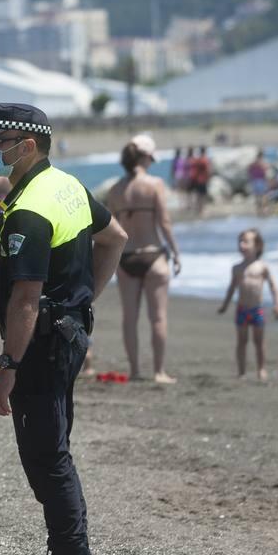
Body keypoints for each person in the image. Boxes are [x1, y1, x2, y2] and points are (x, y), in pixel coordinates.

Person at [0, 102, 128, 555]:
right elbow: (115, 238)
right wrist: (85, 299)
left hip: (41, 344)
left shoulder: (31, 209)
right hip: (69, 334)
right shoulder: (67, 186)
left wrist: (7, 368)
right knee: (53, 443)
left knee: (46, 453)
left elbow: (24, 298)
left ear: (27, 146)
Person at [107, 134, 182, 384]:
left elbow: (111, 228)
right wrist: (176, 252)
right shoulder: (154, 184)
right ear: (144, 157)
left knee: (130, 318)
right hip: (153, 255)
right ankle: (159, 372)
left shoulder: (115, 189)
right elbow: (164, 222)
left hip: (126, 258)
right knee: (158, 317)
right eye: (151, 157)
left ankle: (136, 371)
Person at [217, 228, 278, 381]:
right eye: (240, 241)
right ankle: (241, 371)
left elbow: (273, 285)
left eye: (246, 241)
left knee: (259, 342)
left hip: (257, 310)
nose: (241, 245)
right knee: (241, 342)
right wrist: (225, 305)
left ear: (257, 246)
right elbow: (231, 288)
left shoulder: (262, 266)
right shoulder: (236, 268)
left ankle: (261, 369)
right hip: (242, 310)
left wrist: (277, 304)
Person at [188, 146, 212, 217]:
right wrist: (209, 177)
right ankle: (202, 210)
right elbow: (207, 170)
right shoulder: (204, 159)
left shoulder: (197, 159)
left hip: (197, 180)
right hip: (203, 179)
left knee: (198, 195)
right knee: (203, 195)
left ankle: (198, 209)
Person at [247, 150, 269, 216]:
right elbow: (265, 169)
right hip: (260, 180)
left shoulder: (254, 163)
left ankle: (259, 211)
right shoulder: (261, 162)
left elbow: (249, 170)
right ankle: (263, 210)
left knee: (258, 196)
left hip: (255, 180)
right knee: (263, 196)